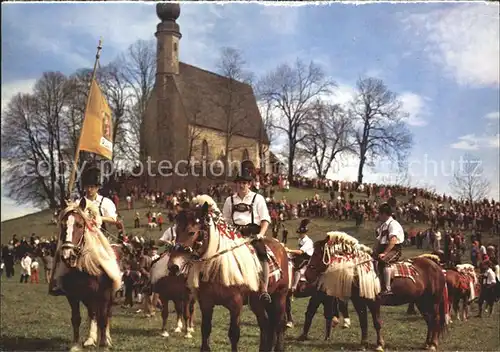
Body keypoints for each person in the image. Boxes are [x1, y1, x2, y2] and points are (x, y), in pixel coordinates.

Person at [49, 165, 118, 296]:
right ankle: (57, 281)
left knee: (107, 256)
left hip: (98, 235)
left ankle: (114, 279)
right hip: (80, 236)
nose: (89, 189)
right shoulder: (78, 201)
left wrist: (98, 217)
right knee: (62, 251)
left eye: (92, 186)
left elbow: (114, 218)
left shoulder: (106, 202)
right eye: (87, 186)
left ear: (98, 187)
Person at [222, 166, 272, 303]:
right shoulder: (229, 201)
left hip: (253, 234)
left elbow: (265, 219)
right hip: (234, 234)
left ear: (249, 184)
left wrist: (261, 234)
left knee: (262, 254)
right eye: (239, 183)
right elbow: (225, 220)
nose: (241, 185)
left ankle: (264, 289)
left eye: (244, 183)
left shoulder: (258, 198)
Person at [373, 203, 405, 295]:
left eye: (379, 213)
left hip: (394, 249)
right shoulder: (383, 226)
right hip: (383, 248)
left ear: (384, 214)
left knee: (384, 261)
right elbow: (378, 241)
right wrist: (373, 252)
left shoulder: (393, 224)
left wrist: (385, 253)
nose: (378, 216)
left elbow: (393, 240)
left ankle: (387, 288)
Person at [286, 219, 314, 295]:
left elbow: (301, 251)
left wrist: (289, 250)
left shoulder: (308, 241)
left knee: (298, 269)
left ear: (305, 233)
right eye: (299, 233)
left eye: (301, 233)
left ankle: (294, 286)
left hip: (307, 258)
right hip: (300, 256)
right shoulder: (300, 239)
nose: (299, 235)